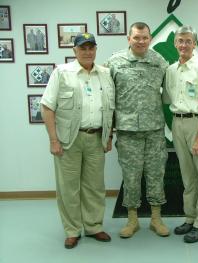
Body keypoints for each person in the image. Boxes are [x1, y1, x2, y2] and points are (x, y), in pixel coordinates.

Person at [41, 33, 115, 249]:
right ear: (75, 51)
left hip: (96, 138)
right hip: (68, 140)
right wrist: (54, 139)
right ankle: (72, 230)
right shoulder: (62, 73)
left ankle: (93, 226)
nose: (87, 51)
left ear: (96, 50)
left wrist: (108, 135)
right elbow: (47, 107)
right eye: (83, 48)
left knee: (95, 186)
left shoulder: (105, 74)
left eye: (91, 47)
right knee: (68, 187)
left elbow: (111, 108)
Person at [105, 22, 169, 239]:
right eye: (136, 37)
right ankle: (132, 220)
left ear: (150, 38)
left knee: (156, 174)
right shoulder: (114, 63)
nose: (141, 41)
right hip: (128, 130)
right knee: (131, 176)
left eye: (144, 38)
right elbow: (107, 98)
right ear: (128, 38)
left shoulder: (160, 62)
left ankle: (155, 219)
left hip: (154, 130)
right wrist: (109, 130)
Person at [164, 25, 198, 243]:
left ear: (195, 44)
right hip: (178, 123)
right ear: (175, 44)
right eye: (180, 41)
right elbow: (168, 100)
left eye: (188, 41)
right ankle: (190, 217)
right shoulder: (171, 70)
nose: (184, 45)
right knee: (187, 176)